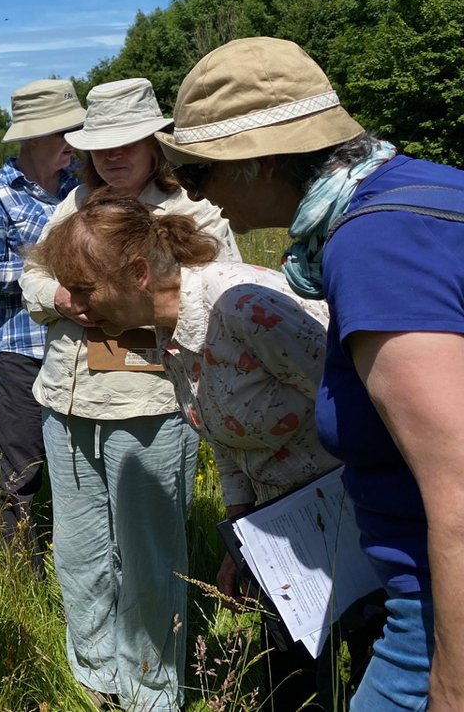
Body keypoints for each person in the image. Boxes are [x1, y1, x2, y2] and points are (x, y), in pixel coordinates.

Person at [158, 35, 464, 711]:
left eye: (199, 175)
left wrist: (450, 685)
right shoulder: (429, 190)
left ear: (259, 162)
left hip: (432, 614)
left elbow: (459, 487)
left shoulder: (373, 243)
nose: (195, 198)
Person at [31, 189, 357, 710]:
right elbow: (221, 430)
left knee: (370, 661)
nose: (80, 307)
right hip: (289, 521)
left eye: (86, 291)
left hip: (353, 511)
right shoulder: (165, 333)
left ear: (139, 273)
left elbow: (355, 394)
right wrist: (245, 533)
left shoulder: (243, 308)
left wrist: (358, 509)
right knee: (293, 679)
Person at [20, 78, 239, 712]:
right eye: (101, 144)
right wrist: (62, 297)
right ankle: (94, 677)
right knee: (79, 550)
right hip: (64, 402)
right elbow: (32, 275)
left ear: (153, 142)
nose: (113, 155)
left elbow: (214, 303)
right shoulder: (73, 206)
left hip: (148, 408)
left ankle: (150, 691)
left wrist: (121, 311)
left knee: (149, 556)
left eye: (127, 142)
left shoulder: (192, 212)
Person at [0, 78, 85, 571]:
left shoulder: (87, 185)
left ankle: (81, 566)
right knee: (20, 473)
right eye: (64, 132)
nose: (74, 142)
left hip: (81, 350)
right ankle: (21, 578)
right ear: (34, 138)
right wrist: (48, 270)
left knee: (83, 471)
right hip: (21, 355)